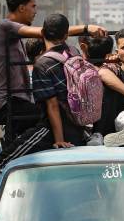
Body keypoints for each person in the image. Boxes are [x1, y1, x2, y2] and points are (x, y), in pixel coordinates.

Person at [0, 0, 105, 185]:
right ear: (22, 8)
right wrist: (85, 29)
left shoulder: (14, 36)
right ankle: (5, 164)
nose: (35, 11)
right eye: (33, 6)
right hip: (6, 102)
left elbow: (52, 33)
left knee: (50, 117)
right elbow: (49, 32)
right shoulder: (4, 27)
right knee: (49, 119)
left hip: (19, 100)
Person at [31, 13, 94, 149]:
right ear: (66, 35)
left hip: (58, 129)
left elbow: (52, 105)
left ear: (42, 33)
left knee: (4, 157)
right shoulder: (74, 52)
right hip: (81, 124)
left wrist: (59, 140)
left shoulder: (43, 64)